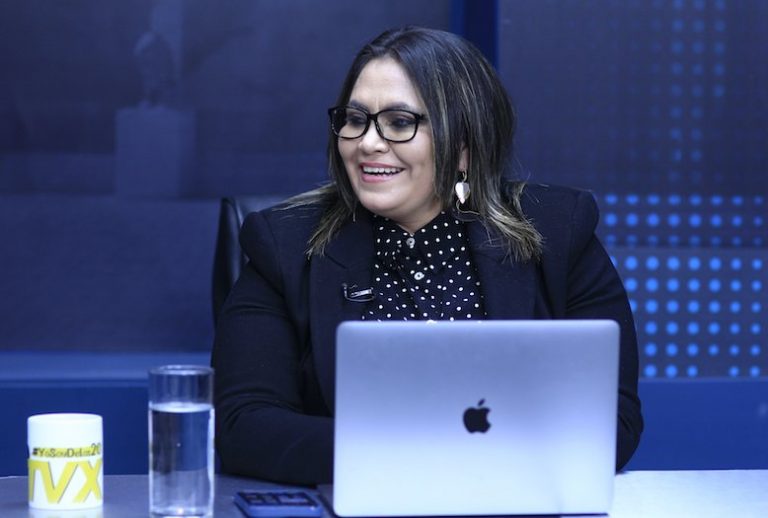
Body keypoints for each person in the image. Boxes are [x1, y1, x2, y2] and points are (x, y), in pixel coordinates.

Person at [212, 26, 643, 485]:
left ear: (465, 147)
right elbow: (244, 426)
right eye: (355, 119)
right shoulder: (283, 243)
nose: (367, 142)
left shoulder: (559, 231)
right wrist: (430, 458)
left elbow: (611, 421)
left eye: (400, 122)